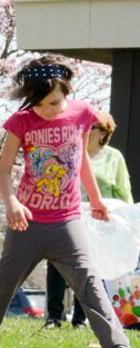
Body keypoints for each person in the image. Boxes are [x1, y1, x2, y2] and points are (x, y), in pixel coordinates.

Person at [0, 58, 134, 348]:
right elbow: (4, 171)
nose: (48, 110)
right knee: (3, 284)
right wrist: (12, 203)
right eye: (40, 104)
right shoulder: (20, 121)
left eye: (54, 103)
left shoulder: (82, 113)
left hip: (68, 221)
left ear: (66, 92)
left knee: (89, 284)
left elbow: (81, 160)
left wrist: (97, 199)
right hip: (28, 222)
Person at [47, 114, 130, 327]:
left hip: (99, 221)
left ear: (103, 132)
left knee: (88, 266)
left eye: (91, 127)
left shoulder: (114, 157)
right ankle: (53, 316)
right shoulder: (70, 152)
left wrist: (125, 221)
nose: (85, 130)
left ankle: (80, 317)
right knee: (56, 263)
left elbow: (123, 191)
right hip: (69, 215)